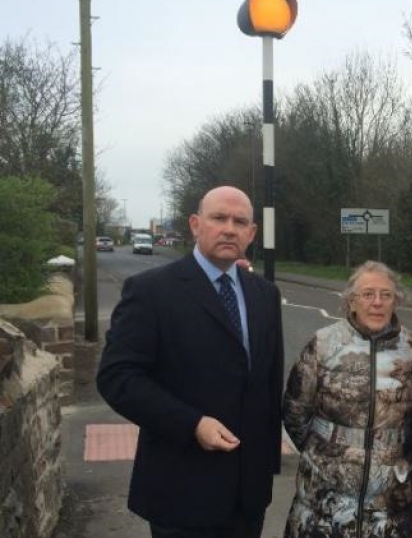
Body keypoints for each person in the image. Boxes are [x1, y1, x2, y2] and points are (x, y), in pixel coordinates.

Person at [97, 186, 285, 538]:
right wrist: (192, 424)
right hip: (180, 491)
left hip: (248, 496)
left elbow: (268, 385)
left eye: (239, 221)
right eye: (219, 218)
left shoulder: (264, 294)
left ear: (252, 233)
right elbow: (117, 378)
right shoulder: (151, 291)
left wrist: (266, 468)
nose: (229, 228)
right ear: (196, 225)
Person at [283, 260, 412, 538]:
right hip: (324, 504)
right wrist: (329, 454)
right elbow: (295, 412)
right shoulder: (323, 344)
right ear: (350, 301)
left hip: (391, 507)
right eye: (367, 294)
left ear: (396, 301)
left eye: (386, 295)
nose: (377, 302)